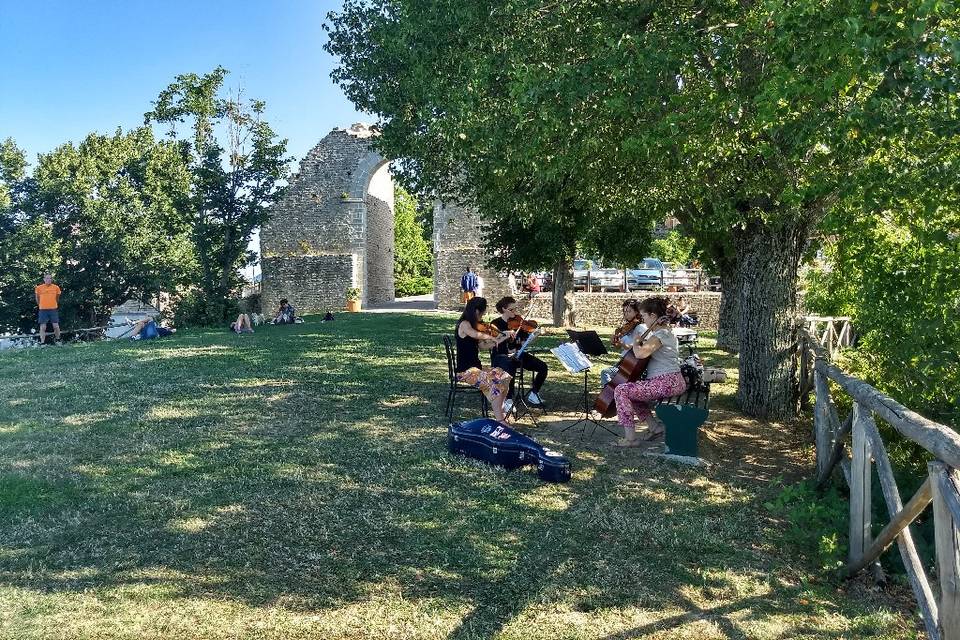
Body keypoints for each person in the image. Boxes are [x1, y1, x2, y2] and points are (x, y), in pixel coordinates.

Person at [612, 296, 688, 446]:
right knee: (631, 392)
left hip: (667, 382)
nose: (643, 319)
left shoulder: (662, 334)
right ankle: (655, 427)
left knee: (621, 390)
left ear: (653, 316)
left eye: (644, 316)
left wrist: (635, 342)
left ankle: (630, 439)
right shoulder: (661, 333)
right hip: (668, 381)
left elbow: (640, 354)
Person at [455, 297, 516, 423]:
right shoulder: (464, 324)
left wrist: (501, 338)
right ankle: (500, 421)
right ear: (477, 311)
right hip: (465, 371)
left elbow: (482, 346)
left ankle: (501, 410)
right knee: (495, 385)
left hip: (476, 369)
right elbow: (474, 334)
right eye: (482, 313)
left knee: (504, 377)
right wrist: (490, 337)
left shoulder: (472, 325)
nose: (482, 317)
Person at [490, 296, 549, 415]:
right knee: (509, 367)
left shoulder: (519, 323)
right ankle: (508, 399)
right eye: (512, 310)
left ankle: (534, 393)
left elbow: (523, 342)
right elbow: (492, 343)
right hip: (500, 356)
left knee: (543, 367)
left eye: (516, 309)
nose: (515, 312)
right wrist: (505, 336)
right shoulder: (495, 324)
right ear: (504, 309)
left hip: (517, 354)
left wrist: (534, 336)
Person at [599, 299, 648, 388]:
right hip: (624, 362)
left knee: (605, 373)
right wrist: (616, 342)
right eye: (624, 311)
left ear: (637, 312)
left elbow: (635, 348)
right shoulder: (627, 327)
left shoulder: (641, 327)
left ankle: (613, 394)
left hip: (632, 365)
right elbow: (619, 347)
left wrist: (621, 343)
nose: (626, 314)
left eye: (629, 311)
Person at [34, 273, 62, 345]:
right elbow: (37, 298)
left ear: (52, 279)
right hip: (43, 310)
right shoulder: (39, 288)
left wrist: (54, 303)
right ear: (44, 279)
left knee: (56, 326)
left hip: (53, 309)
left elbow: (57, 298)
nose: (48, 280)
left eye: (50, 278)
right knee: (43, 327)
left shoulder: (56, 287)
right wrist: (41, 305)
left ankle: (58, 340)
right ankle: (42, 343)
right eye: (47, 278)